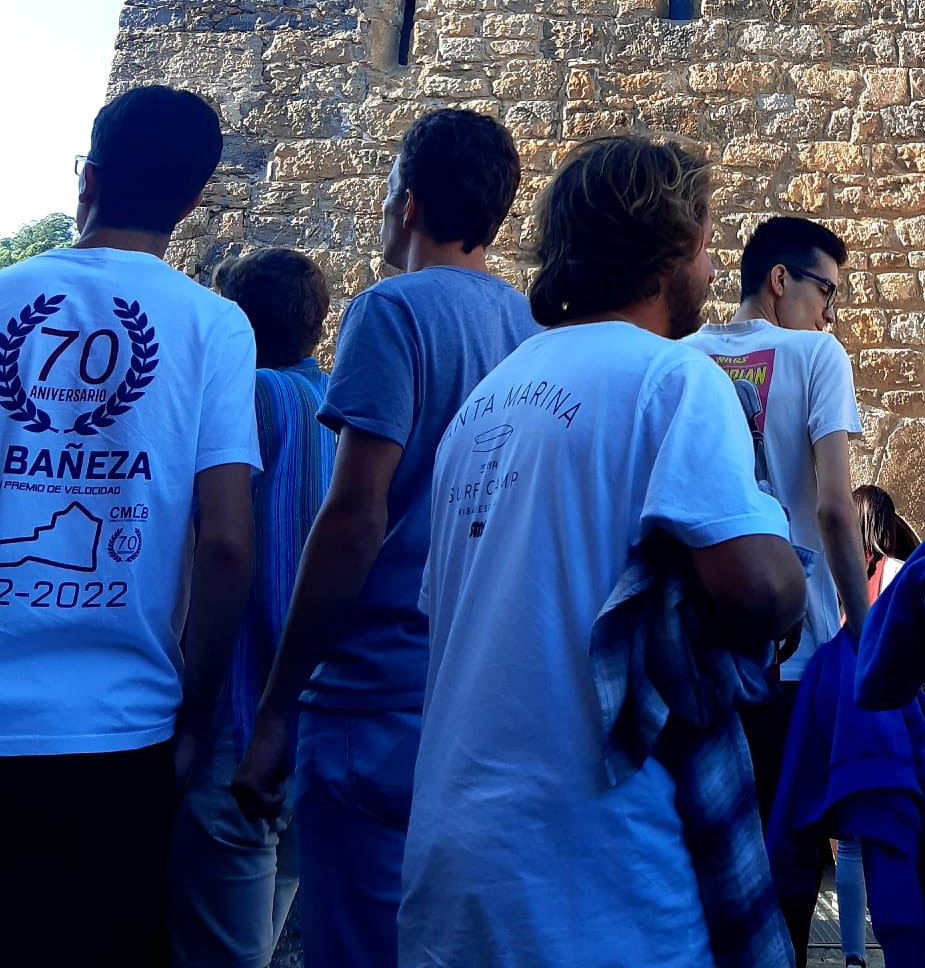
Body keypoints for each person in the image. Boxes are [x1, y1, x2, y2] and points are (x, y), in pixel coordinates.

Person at [396, 134, 806, 967]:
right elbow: (760, 590)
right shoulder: (675, 379)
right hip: (598, 878)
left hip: (452, 870)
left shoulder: (483, 404)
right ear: (675, 247)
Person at [232, 108, 532, 968]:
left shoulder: (390, 310)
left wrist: (278, 710)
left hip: (371, 696)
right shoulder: (526, 329)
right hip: (475, 693)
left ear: (405, 205)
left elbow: (356, 515)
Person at [0, 86, 257, 968]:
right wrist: (197, 708)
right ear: (192, 201)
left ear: (88, 180)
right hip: (118, 732)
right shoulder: (215, 325)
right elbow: (226, 541)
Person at [688, 215, 868, 959]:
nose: (830, 311)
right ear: (779, 280)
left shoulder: (682, 356)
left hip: (700, 651)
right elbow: (834, 506)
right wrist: (865, 632)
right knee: (789, 857)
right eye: (827, 290)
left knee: (706, 855)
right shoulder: (816, 354)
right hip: (796, 653)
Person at [170, 247, 335, 968]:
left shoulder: (242, 403)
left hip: (237, 714)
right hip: (319, 719)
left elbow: (217, 545)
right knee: (268, 930)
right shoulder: (340, 409)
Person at [836, 484, 920, 968]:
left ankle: (852, 956)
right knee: (893, 837)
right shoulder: (899, 574)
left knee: (849, 839)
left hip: (848, 714)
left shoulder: (838, 575)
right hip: (891, 716)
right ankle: (899, 951)